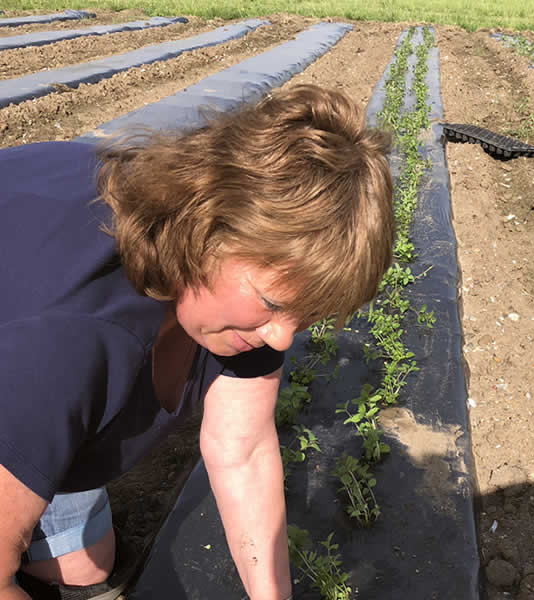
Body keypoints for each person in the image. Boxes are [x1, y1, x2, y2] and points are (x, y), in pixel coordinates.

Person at [0, 84, 395, 600]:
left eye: (309, 314)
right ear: (205, 231)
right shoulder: (69, 342)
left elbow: (244, 448)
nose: (281, 336)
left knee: (85, 571)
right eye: (273, 305)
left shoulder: (244, 280)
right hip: (29, 340)